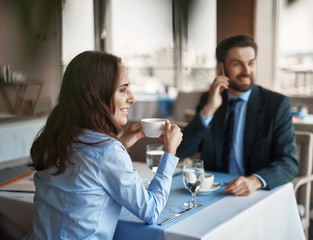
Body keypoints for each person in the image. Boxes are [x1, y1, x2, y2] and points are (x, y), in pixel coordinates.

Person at [26, 51, 183, 239]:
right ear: (95, 95)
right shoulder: (108, 151)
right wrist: (170, 152)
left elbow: (88, 167)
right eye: (123, 90)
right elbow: (152, 210)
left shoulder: (54, 137)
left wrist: (122, 142)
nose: (132, 98)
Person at [177, 35, 298, 196]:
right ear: (221, 68)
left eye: (251, 63)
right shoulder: (210, 99)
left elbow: (288, 162)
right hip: (216, 192)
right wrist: (209, 109)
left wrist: (255, 181)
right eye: (237, 64)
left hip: (257, 193)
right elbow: (182, 150)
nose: (246, 71)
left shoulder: (276, 104)